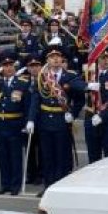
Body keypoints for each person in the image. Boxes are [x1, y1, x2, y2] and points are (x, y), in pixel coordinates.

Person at [32, 44, 83, 188]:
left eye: (58, 57)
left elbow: (80, 100)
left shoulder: (71, 76)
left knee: (62, 155)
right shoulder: (42, 78)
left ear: (62, 59)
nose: (55, 59)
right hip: (45, 121)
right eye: (51, 57)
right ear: (47, 60)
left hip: (62, 120)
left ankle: (60, 186)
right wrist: (31, 120)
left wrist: (72, 114)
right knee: (47, 156)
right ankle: (48, 186)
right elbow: (36, 100)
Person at [0, 54, 33, 195]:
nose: (8, 68)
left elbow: (27, 106)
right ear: (1, 68)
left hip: (15, 123)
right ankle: (5, 184)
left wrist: (27, 123)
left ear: (15, 67)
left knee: (15, 156)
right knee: (2, 157)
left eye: (10, 65)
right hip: (0, 124)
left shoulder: (22, 83)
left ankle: (15, 185)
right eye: (5, 65)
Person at [82, 50, 108, 164]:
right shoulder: (89, 75)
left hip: (107, 121)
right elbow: (75, 83)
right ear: (97, 59)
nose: (105, 61)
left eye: (107, 57)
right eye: (102, 58)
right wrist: (87, 85)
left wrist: (102, 116)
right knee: (93, 155)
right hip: (90, 118)